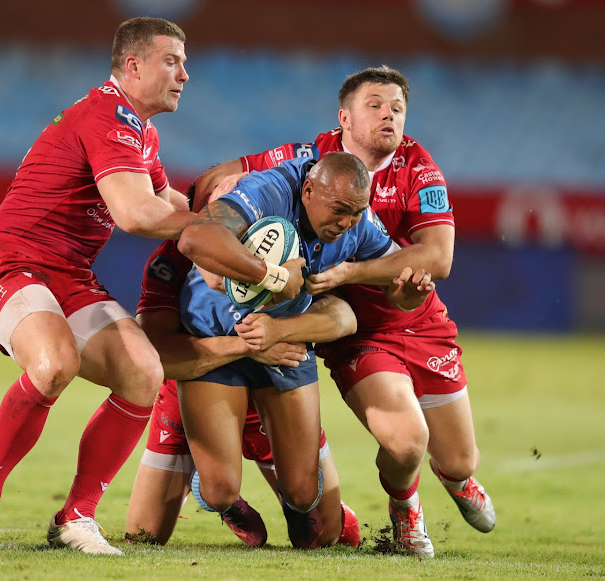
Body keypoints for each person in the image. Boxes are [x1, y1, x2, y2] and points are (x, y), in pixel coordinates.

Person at [193, 65, 495, 557]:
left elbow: (437, 258)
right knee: (405, 441)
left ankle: (457, 480)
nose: (388, 115)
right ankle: (405, 513)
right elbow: (223, 174)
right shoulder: (308, 157)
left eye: (397, 108)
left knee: (460, 460)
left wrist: (352, 275)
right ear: (344, 118)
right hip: (353, 332)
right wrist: (215, 198)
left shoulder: (418, 167)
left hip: (416, 318)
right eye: (375, 105)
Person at [0, 17, 197, 555]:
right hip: (10, 262)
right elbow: (134, 212)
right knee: (54, 362)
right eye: (171, 61)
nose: (184, 74)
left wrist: (231, 211)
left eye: (184, 62)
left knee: (144, 372)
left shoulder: (138, 128)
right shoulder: (109, 115)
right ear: (133, 66)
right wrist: (219, 231)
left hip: (68, 274)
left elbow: (168, 199)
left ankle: (76, 516)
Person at [176, 152, 435, 549]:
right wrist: (274, 276)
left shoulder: (357, 222)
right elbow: (195, 238)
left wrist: (407, 294)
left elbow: (395, 282)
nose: (346, 223)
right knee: (219, 491)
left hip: (283, 340)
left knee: (302, 496)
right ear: (309, 189)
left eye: (356, 213)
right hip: (218, 331)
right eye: (340, 210)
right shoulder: (268, 190)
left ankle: (272, 448)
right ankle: (221, 491)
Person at [124, 235, 362, 547]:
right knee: (144, 534)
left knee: (329, 534)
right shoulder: (174, 257)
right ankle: (224, 499)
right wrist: (248, 346)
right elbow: (156, 354)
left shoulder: (285, 239)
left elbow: (342, 316)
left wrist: (279, 331)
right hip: (201, 383)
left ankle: (292, 503)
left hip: (275, 386)